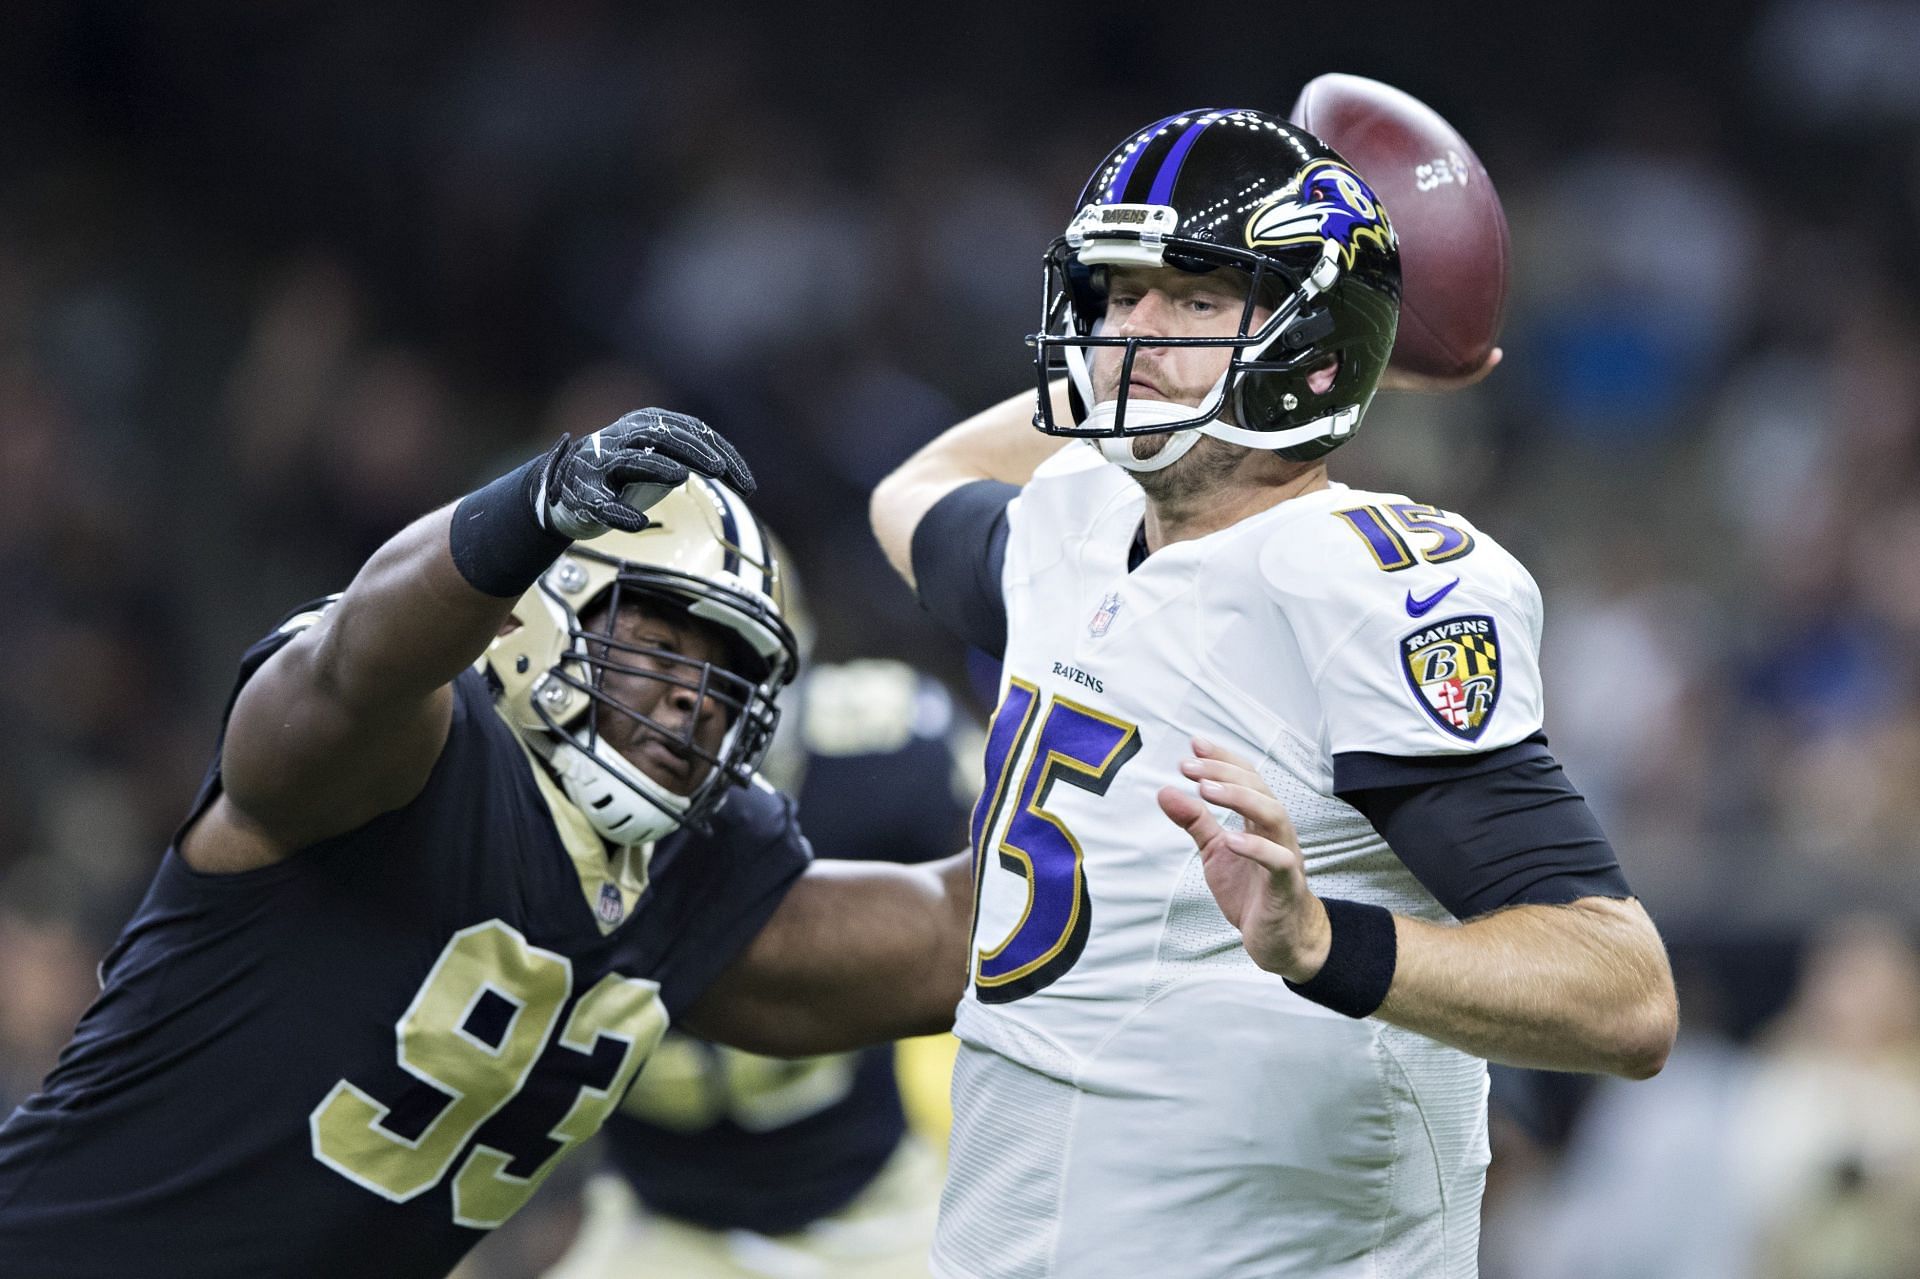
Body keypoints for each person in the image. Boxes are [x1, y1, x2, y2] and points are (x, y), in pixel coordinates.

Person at [869, 108, 1679, 1278]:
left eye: (1196, 296)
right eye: (1115, 293)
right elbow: (917, 485)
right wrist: (1297, 334)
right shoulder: (1074, 523)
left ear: (1313, 346)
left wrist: (1325, 944)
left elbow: (1623, 989)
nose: (1131, 331)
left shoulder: (1356, 583)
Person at [0, 411, 971, 1279]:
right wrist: (519, 514)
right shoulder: (423, 754)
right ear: (541, 611)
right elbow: (350, 672)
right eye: (665, 643)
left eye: (728, 677)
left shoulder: (690, 876)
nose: (693, 696)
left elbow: (954, 942)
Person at [547, 650, 975, 1279]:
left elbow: (1009, 905)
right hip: (657, 1217)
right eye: (654, 657)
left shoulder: (883, 749)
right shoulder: (512, 798)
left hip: (873, 1205)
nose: (689, 704)